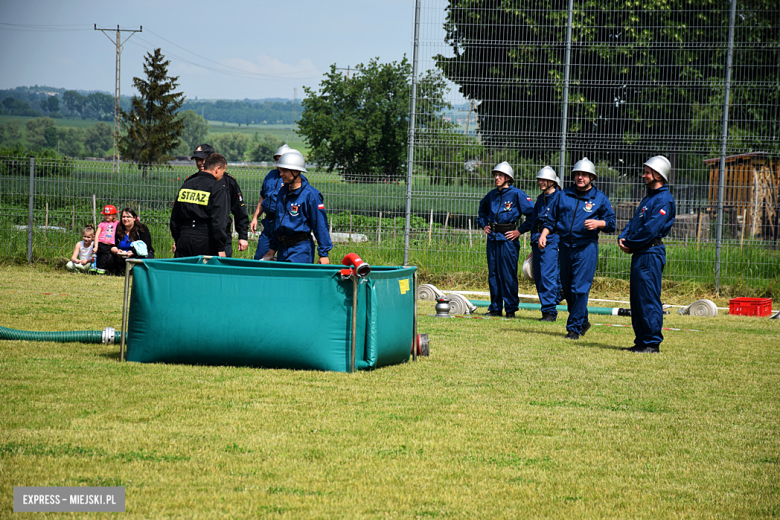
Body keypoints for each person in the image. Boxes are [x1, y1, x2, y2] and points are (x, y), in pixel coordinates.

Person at [539, 157, 616, 339]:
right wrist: (543, 234)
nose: (580, 177)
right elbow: (552, 220)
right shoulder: (563, 195)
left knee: (579, 288)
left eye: (584, 175)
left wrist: (598, 223)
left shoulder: (600, 198)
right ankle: (583, 321)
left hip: (586, 248)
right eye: (577, 174)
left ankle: (573, 328)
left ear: (591, 177)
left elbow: (611, 223)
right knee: (567, 288)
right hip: (565, 247)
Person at [618, 156, 676, 353]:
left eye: (647, 172)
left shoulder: (664, 200)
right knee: (637, 298)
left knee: (648, 297)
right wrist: (623, 237)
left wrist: (631, 243)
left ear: (658, 174)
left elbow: (651, 229)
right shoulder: (649, 197)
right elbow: (635, 223)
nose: (643, 175)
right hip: (640, 252)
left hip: (650, 252)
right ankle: (641, 341)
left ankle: (652, 342)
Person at [476, 161, 534, 318]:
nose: (496, 178)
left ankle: (510, 309)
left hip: (508, 240)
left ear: (508, 178)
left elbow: (532, 215)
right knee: (493, 274)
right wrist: (483, 225)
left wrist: (519, 231)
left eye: (500, 175)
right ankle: (495, 308)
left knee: (507, 274)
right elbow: (481, 212)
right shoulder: (491, 195)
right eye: (495, 175)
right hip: (493, 239)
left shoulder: (517, 194)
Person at [262, 152, 332, 264]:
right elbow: (278, 222)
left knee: (297, 280)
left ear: (295, 171)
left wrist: (323, 254)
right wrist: (273, 248)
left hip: (300, 250)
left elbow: (320, 225)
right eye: (280, 170)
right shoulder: (282, 192)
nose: (280, 174)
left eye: (284, 171)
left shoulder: (311, 196)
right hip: (282, 249)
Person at [518, 166, 562, 321]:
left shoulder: (560, 198)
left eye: (544, 180)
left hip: (552, 239)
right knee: (538, 276)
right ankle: (556, 297)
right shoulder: (540, 199)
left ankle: (549, 312)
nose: (541, 182)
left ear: (552, 181)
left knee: (547, 276)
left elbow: (558, 221)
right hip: (538, 240)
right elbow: (534, 222)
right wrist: (533, 244)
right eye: (539, 180)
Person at [190, 143, 248, 257]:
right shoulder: (192, 182)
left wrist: (243, 236)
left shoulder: (228, 182)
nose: (200, 163)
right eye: (197, 159)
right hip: (197, 236)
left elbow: (239, 209)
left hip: (222, 236)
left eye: (203, 159)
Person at [170, 153, 230, 258]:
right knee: (205, 273)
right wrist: (220, 248)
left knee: (183, 272)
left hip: (184, 237)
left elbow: (175, 218)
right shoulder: (218, 188)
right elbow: (219, 222)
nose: (222, 176)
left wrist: (178, 239)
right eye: (223, 172)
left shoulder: (186, 185)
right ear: (217, 169)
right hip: (206, 239)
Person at [250, 144, 301, 260]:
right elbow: (263, 197)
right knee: (260, 258)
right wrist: (255, 217)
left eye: (281, 159)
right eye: (277, 160)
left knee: (283, 259)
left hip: (284, 223)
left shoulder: (295, 179)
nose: (279, 163)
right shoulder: (270, 176)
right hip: (269, 223)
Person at [110, 207, 156, 274]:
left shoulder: (142, 228)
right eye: (123, 217)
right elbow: (114, 244)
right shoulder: (119, 228)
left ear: (134, 218)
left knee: (145, 259)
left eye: (128, 217)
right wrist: (117, 251)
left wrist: (133, 252)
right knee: (110, 258)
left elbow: (147, 246)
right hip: (123, 255)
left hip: (140, 254)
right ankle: (119, 272)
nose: (125, 219)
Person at [95, 205, 119, 274]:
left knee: (104, 258)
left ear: (114, 215)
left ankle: (101, 271)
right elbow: (97, 235)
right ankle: (94, 270)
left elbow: (124, 223)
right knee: (97, 257)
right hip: (100, 243)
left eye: (109, 215)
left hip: (108, 245)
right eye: (105, 215)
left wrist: (136, 219)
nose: (107, 216)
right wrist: (96, 246)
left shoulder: (116, 223)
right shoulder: (102, 224)